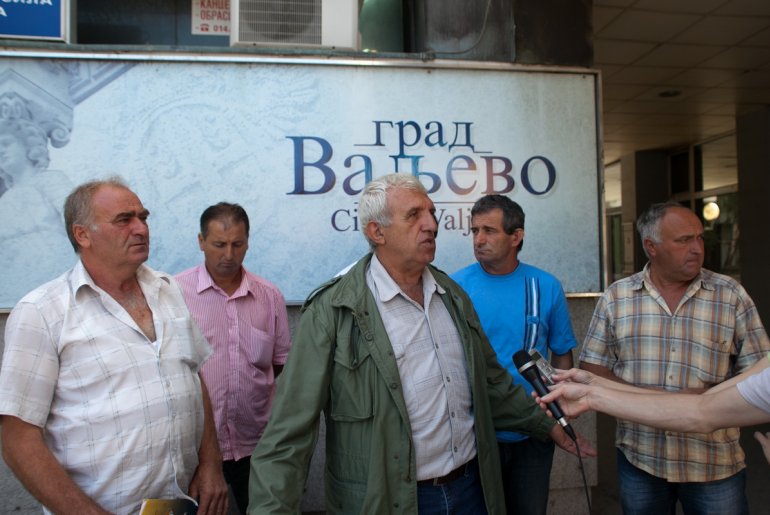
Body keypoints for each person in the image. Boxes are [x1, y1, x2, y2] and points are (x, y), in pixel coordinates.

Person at [248, 173, 592, 515]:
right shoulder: (334, 310)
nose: (431, 224)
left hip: (471, 489)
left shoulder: (452, 296)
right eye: (414, 215)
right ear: (376, 231)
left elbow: (493, 384)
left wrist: (546, 425)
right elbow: (288, 434)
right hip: (393, 501)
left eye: (431, 213)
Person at [0, 177, 229, 515]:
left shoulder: (168, 290)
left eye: (143, 217)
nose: (140, 228)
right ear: (82, 234)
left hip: (180, 504)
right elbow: (17, 436)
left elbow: (193, 378)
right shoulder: (42, 312)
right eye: (124, 219)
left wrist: (211, 465)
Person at [579, 201, 770, 515]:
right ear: (651, 247)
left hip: (712, 461)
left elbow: (758, 373)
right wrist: (654, 399)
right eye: (684, 240)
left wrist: (707, 400)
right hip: (640, 455)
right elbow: (592, 370)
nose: (697, 248)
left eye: (699, 238)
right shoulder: (617, 297)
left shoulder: (731, 295)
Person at [451, 194, 577, 515]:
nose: (479, 240)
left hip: (534, 432)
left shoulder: (545, 286)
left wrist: (557, 410)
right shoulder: (456, 287)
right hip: (475, 433)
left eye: (489, 231)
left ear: (516, 236)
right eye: (475, 231)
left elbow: (562, 356)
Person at [176, 202, 292, 514]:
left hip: (257, 443)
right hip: (197, 451)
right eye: (219, 245)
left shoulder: (269, 296)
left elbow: (279, 363)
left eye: (237, 245)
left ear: (248, 243)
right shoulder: (174, 294)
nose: (228, 255)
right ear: (201, 242)